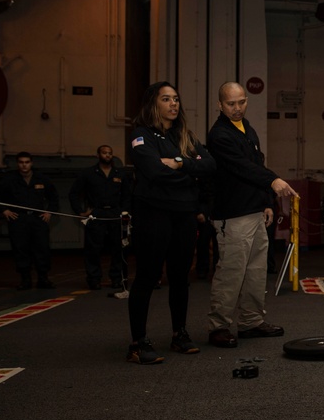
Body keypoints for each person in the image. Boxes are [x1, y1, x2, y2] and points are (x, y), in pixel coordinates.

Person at [126, 81, 216, 364]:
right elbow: (153, 171)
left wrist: (178, 163)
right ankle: (138, 343)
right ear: (154, 104)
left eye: (176, 98)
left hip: (184, 215)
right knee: (147, 276)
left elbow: (210, 166)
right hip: (153, 213)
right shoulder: (142, 135)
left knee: (180, 277)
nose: (173, 104)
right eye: (166, 99)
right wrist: (191, 172)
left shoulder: (185, 136)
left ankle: (179, 334)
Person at [205, 81, 298, 348]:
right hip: (233, 214)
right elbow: (243, 168)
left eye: (241, 102)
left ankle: (251, 322)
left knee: (256, 271)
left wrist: (267, 203)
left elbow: (257, 164)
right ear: (219, 105)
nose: (237, 108)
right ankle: (219, 326)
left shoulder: (248, 129)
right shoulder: (219, 135)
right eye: (231, 104)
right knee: (232, 272)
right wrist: (274, 181)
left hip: (255, 211)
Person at [69, 145, 130, 290]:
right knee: (93, 249)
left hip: (115, 214)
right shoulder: (88, 173)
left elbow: (127, 196)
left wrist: (125, 212)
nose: (107, 155)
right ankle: (94, 279)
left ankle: (117, 278)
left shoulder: (120, 174)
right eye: (104, 153)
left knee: (118, 248)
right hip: (96, 214)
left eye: (110, 153)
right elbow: (74, 193)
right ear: (98, 155)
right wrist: (81, 211)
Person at [0, 152, 59, 290]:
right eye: (21, 162)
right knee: (20, 249)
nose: (24, 165)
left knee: (42, 248)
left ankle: (43, 279)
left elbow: (53, 197)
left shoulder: (41, 178)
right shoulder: (10, 179)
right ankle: (25, 280)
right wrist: (4, 210)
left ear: (31, 163)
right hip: (19, 219)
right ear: (18, 164)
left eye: (27, 162)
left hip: (38, 219)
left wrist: (49, 211)